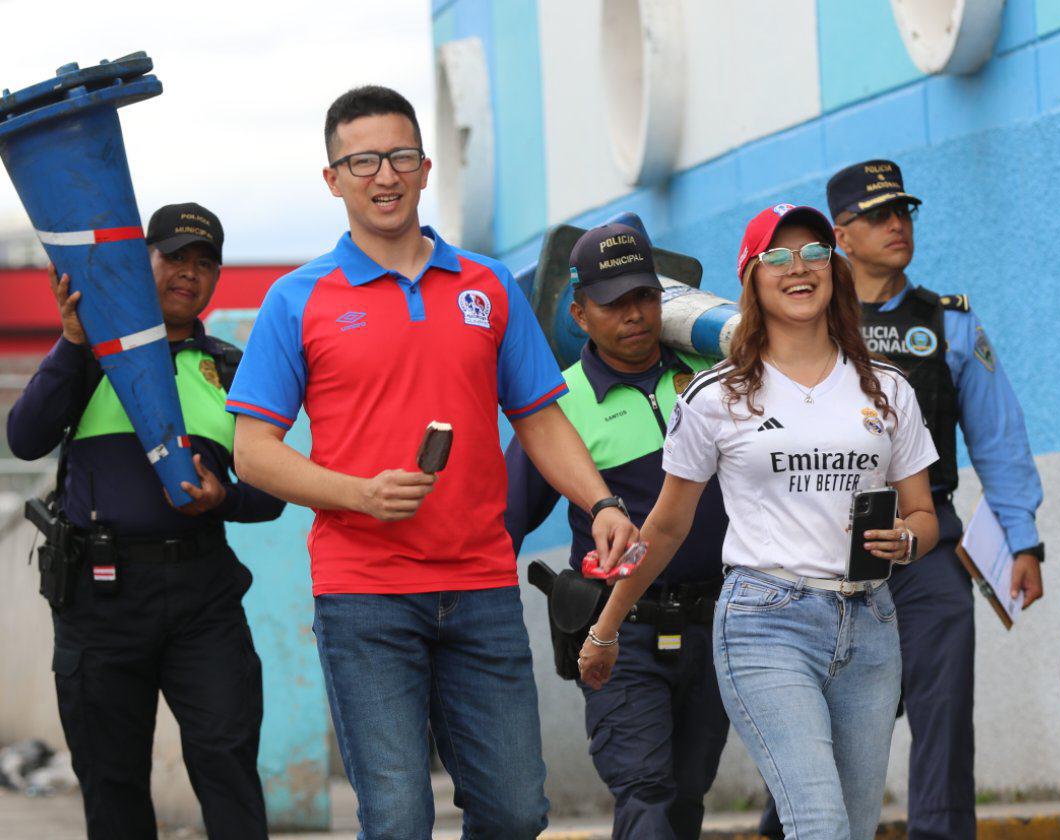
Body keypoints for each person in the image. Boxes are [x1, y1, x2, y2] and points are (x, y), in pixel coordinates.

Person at [224, 85, 638, 839]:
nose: (384, 175)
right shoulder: (297, 298)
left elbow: (541, 418)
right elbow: (253, 454)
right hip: (364, 595)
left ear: (425, 169)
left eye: (401, 157)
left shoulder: (485, 287)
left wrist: (602, 504)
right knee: (397, 818)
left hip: (480, 585)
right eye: (363, 161)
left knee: (515, 813)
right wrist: (357, 494)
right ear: (333, 178)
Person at [580, 202, 941, 840]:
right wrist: (607, 626)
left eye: (813, 254)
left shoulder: (888, 388)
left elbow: (923, 514)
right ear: (751, 277)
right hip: (764, 622)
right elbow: (664, 527)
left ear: (835, 270)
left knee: (853, 829)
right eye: (777, 257)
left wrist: (907, 539)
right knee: (819, 823)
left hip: (870, 624)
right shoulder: (714, 396)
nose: (797, 269)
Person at [7, 203, 285, 840]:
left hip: (203, 597)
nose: (189, 273)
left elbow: (270, 492)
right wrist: (74, 342)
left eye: (204, 263)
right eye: (175, 257)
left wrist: (225, 500)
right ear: (142, 265)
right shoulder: (91, 355)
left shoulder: (232, 368)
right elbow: (23, 439)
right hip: (100, 600)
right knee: (112, 784)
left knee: (227, 763)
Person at [826, 159, 1045, 840]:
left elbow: (999, 436)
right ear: (841, 234)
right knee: (828, 716)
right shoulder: (810, 323)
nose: (897, 224)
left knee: (943, 707)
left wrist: (1023, 539)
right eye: (878, 214)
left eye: (904, 212)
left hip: (929, 539)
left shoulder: (949, 324)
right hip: (826, 544)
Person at [504, 223, 730, 840]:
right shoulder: (559, 405)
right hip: (618, 632)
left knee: (688, 794)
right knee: (645, 791)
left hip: (715, 623)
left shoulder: (713, 375)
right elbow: (505, 521)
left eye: (645, 297)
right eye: (613, 303)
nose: (634, 314)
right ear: (578, 313)